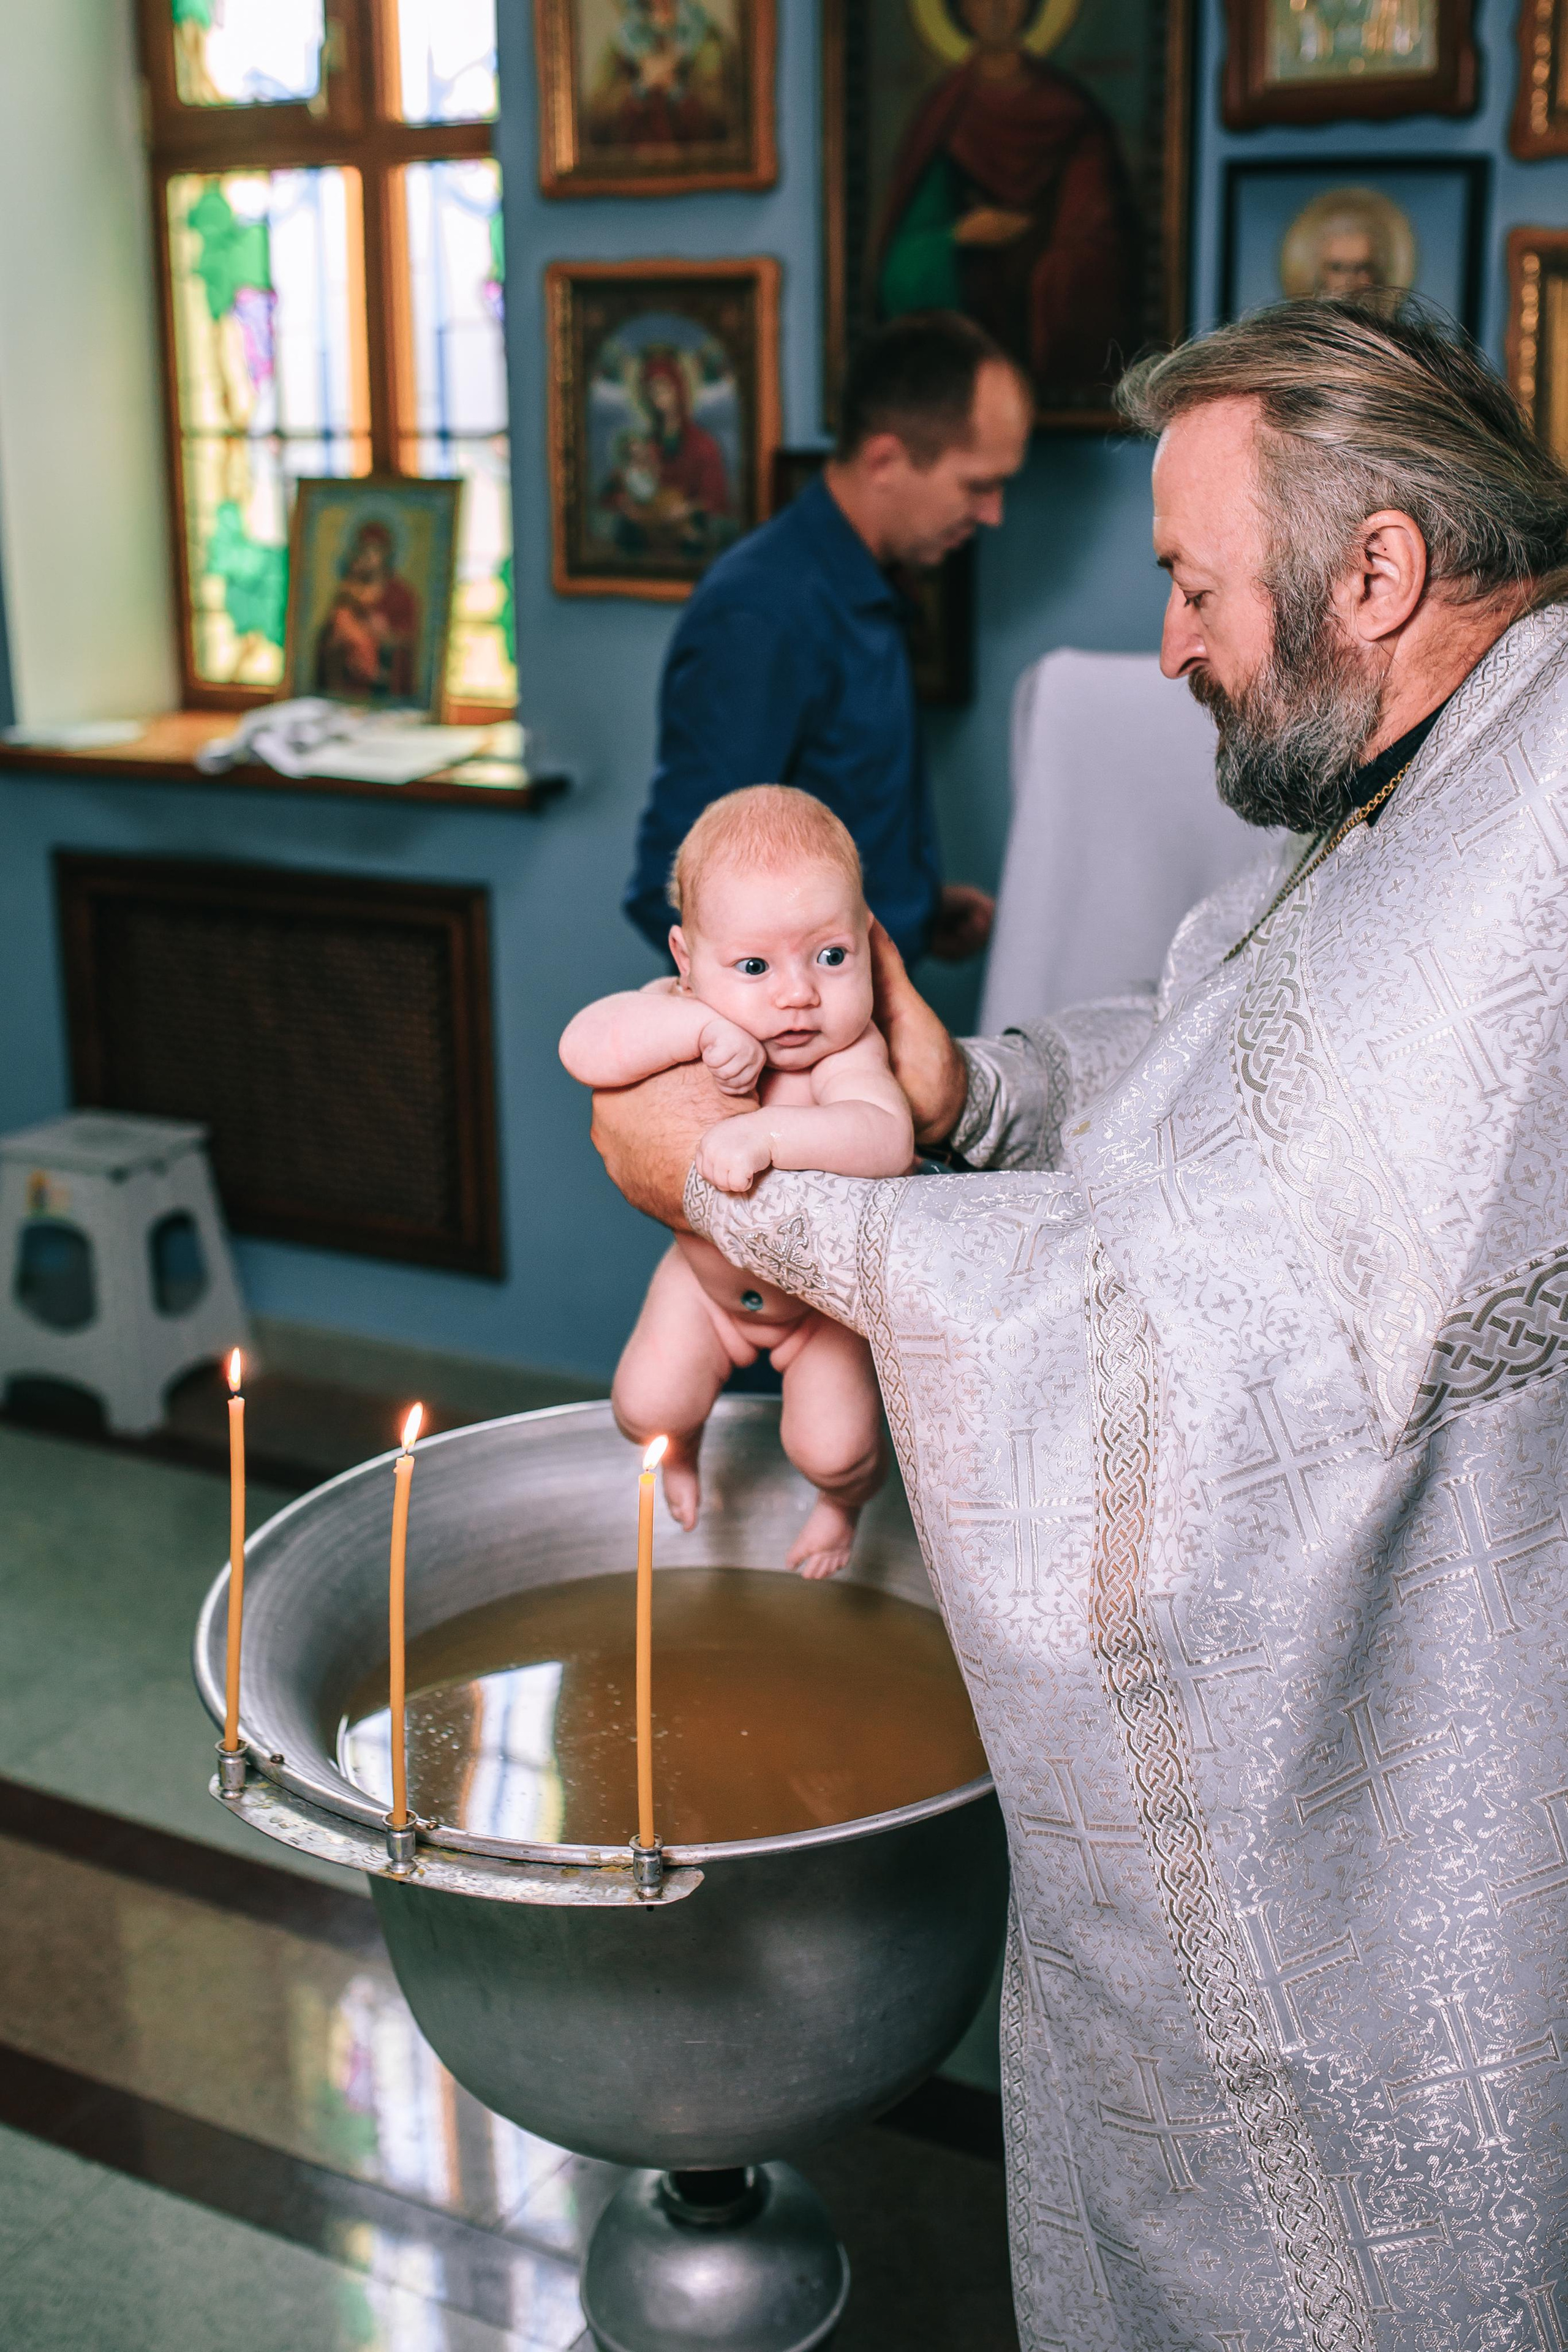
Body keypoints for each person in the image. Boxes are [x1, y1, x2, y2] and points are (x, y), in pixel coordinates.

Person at [590, 302, 1568, 2340]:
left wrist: (733, 1187)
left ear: (1374, 573)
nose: (1173, 648)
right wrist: (973, 1096)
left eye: (1198, 585)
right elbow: (1238, 1067)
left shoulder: (1536, 846)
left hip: (1395, 1913)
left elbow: (1213, 1346)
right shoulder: (1446, 771)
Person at [564, 788, 911, 1579]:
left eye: (831, 957)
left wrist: (766, 1133)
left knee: (836, 1446)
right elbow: (583, 1046)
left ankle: (843, 1502)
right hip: (704, 1289)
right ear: (686, 963)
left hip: (820, 1310)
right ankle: (679, 1449)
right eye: (753, 966)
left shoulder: (844, 1054)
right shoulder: (676, 1009)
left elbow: (886, 1138)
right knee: (646, 1405)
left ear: (866, 939)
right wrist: (697, 1030)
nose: (798, 995)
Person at [624, 310, 1031, 970]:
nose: (993, 514)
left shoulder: (872, 583)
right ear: (885, 461)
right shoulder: (761, 615)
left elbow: (833, 803)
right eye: (976, 485)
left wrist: (913, 906)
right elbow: (675, 889)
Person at [873, 0, 1139, 405]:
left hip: (1042, 334)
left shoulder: (1072, 115)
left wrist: (1048, 266)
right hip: (960, 358)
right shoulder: (942, 115)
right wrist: (959, 235)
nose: (996, 7)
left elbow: (1099, 244)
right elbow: (900, 264)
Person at [313, 519, 420, 703]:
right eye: (364, 551)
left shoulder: (400, 595)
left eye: (375, 551)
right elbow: (328, 637)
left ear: (386, 554)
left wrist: (387, 635)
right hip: (348, 685)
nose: (369, 557)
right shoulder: (349, 588)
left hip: (385, 687)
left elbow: (408, 638)